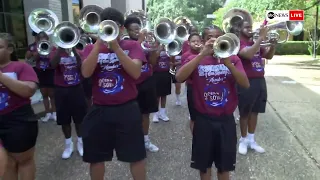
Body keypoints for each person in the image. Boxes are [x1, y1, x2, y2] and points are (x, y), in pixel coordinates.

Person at [176, 26, 249, 180]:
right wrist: (202, 54)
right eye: (210, 36)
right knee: (204, 167)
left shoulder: (233, 59)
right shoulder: (194, 59)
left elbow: (245, 84)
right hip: (203, 120)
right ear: (203, 40)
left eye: (218, 36)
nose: (214, 39)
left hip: (226, 120)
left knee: (224, 167)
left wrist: (228, 64)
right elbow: (179, 77)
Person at [81, 7, 147, 180]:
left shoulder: (132, 46)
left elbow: (135, 73)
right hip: (100, 109)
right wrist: (98, 45)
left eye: (115, 26)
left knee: (136, 156)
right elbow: (86, 73)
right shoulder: (90, 48)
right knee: (96, 158)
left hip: (127, 108)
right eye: (106, 26)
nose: (111, 30)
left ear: (122, 28)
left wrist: (116, 47)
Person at [0, 33, 39, 180]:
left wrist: (1, 76)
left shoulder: (21, 67)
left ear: (10, 49)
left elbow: (28, 90)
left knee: (24, 161)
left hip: (19, 121)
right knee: (7, 164)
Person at [237, 21, 275, 155]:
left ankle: (251, 140)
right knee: (245, 112)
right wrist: (260, 38)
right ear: (240, 29)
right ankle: (243, 139)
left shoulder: (256, 43)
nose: (249, 29)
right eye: (246, 27)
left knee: (255, 111)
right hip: (246, 81)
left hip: (260, 80)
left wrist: (273, 44)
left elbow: (268, 55)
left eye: (250, 27)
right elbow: (247, 55)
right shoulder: (239, 43)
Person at [124, 16, 159, 152]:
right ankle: (132, 140)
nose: (136, 32)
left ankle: (145, 140)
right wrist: (140, 40)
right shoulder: (125, 44)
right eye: (132, 30)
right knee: (131, 114)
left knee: (145, 113)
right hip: (131, 83)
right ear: (127, 31)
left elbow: (153, 63)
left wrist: (155, 48)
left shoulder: (147, 44)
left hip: (146, 81)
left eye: (138, 29)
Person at [50, 46, 87, 159]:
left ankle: (80, 143)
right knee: (64, 120)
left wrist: (75, 52)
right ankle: (68, 144)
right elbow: (52, 65)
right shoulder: (54, 52)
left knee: (79, 119)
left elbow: (83, 67)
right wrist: (59, 51)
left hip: (76, 88)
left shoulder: (79, 52)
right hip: (61, 90)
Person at [28, 31, 56, 122]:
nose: (43, 39)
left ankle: (54, 113)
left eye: (44, 37)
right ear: (38, 39)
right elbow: (32, 59)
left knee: (52, 94)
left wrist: (49, 53)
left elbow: (54, 62)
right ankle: (47, 113)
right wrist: (37, 53)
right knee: (44, 94)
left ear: (47, 38)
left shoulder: (53, 47)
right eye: (41, 38)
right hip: (40, 71)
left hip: (50, 71)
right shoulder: (36, 47)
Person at [181, 33, 202, 132]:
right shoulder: (186, 55)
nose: (196, 43)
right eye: (193, 41)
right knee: (194, 117)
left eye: (198, 41)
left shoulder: (207, 53)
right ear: (188, 43)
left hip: (204, 87)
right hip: (192, 87)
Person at [151, 43, 173, 122]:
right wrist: (159, 49)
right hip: (156, 74)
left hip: (166, 73)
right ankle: (155, 114)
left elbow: (172, 60)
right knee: (156, 95)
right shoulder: (154, 47)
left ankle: (162, 113)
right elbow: (152, 60)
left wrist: (170, 51)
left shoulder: (168, 46)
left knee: (164, 94)